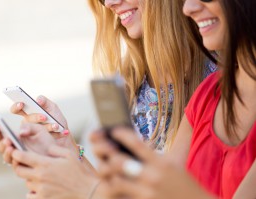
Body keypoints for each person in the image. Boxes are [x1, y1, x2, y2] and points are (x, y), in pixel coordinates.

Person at [0, 0, 216, 198]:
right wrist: (65, 146)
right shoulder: (127, 79)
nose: (109, 3)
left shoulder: (219, 80)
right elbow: (114, 189)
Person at [91, 0, 256, 198]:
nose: (110, 3)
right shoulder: (207, 94)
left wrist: (86, 187)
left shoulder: (211, 76)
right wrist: (74, 158)